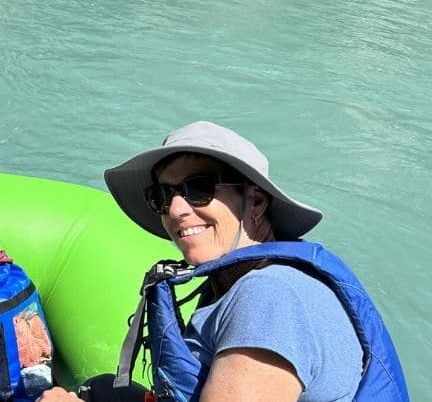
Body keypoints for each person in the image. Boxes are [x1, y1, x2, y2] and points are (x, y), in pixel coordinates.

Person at [42, 121, 408, 402]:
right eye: (162, 195)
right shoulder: (239, 281)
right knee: (104, 389)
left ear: (257, 202)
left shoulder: (271, 297)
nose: (175, 210)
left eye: (198, 189)